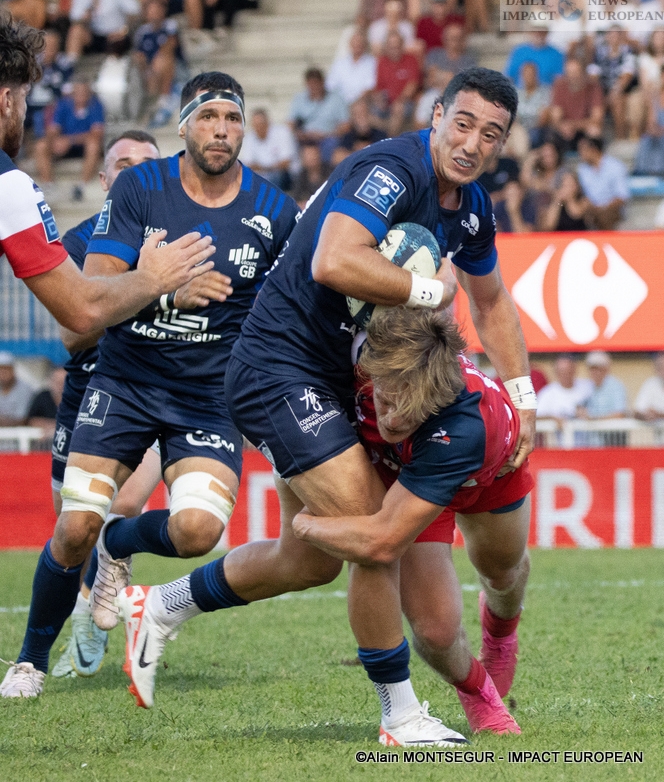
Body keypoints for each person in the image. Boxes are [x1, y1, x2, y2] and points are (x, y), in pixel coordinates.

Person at [116, 68, 537, 747]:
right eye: (462, 123)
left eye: (490, 134)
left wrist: (522, 395)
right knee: (372, 528)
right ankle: (400, 716)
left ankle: (161, 605)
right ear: (435, 116)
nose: (472, 143)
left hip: (333, 377)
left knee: (309, 560)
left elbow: (491, 301)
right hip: (278, 367)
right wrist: (431, 292)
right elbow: (333, 261)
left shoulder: (472, 207)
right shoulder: (393, 170)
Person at [0, 71, 298, 700]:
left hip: (209, 396)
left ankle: (121, 539)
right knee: (73, 528)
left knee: (198, 532)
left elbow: (286, 313)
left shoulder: (275, 210)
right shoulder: (140, 188)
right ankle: (29, 662)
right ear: (184, 126)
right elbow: (90, 302)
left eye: (233, 118)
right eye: (208, 117)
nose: (221, 130)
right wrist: (164, 289)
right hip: (127, 381)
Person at [118, 307, 530, 737]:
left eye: (408, 411)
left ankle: (501, 632)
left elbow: (383, 540)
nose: (391, 419)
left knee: (501, 572)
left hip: (481, 470)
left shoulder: (464, 426)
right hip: (403, 479)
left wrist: (309, 527)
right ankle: (475, 696)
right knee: (435, 630)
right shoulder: (361, 361)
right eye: (386, 401)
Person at [0, 13, 216, 338]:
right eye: (23, 98)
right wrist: (154, 278)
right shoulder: (8, 184)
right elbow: (81, 311)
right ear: (6, 101)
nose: (24, 111)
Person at [49, 130, 165, 680]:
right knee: (72, 528)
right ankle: (84, 612)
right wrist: (147, 284)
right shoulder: (78, 243)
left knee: (124, 504)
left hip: (155, 392)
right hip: (86, 392)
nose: (134, 171)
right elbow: (73, 335)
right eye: (123, 163)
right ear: (103, 179)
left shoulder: (189, 233)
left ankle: (108, 583)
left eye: (146, 162)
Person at [33, 78, 105, 201]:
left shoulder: (96, 105)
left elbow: (97, 133)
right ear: (73, 93)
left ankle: (81, 186)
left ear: (89, 93)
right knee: (41, 145)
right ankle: (48, 186)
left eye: (84, 92)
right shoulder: (63, 105)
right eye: (78, 91)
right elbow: (54, 129)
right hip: (64, 146)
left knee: (94, 144)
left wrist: (70, 140)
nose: (81, 95)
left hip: (83, 146)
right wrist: (54, 140)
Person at [132, 0, 182, 128]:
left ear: (163, 11)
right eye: (151, 11)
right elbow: (139, 53)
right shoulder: (142, 32)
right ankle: (151, 102)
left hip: (176, 68)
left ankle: (164, 97)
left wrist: (155, 62)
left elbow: (171, 44)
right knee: (139, 63)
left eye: (156, 10)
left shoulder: (170, 25)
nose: (154, 13)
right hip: (151, 71)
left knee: (162, 59)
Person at [65, 0, 141, 59]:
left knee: (117, 41)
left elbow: (134, 11)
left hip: (117, 34)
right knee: (76, 31)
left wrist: (124, 30)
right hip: (95, 36)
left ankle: (115, 62)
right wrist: (85, 19)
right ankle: (71, 62)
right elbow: (74, 19)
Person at [549, 58, 605, 153]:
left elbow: (597, 119)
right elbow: (555, 117)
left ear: (583, 73)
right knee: (552, 133)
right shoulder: (560, 86)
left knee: (594, 131)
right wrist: (563, 126)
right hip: (566, 131)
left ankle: (593, 160)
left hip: (583, 130)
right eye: (569, 73)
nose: (572, 76)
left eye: (575, 72)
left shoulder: (594, 88)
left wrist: (573, 125)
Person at [576, 136, 630, 231]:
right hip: (591, 209)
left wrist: (603, 208)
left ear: (593, 150)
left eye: (582, 150)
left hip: (611, 209)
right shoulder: (582, 170)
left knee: (604, 216)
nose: (580, 153)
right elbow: (582, 194)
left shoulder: (615, 166)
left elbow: (622, 197)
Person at [239, 107, 297, 190]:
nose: (258, 128)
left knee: (274, 178)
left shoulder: (282, 132)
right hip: (262, 175)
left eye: (261, 124)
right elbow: (248, 165)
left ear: (268, 122)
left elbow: (286, 163)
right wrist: (267, 168)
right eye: (256, 125)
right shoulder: (249, 137)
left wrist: (263, 168)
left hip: (286, 175)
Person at [537, 354, 593, 428]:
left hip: (587, 434)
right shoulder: (547, 393)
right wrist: (552, 418)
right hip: (559, 435)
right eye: (562, 372)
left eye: (568, 371)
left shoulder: (587, 387)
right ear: (556, 372)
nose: (566, 375)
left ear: (575, 370)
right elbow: (536, 416)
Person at [325, 29, 377, 107]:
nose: (357, 45)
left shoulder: (372, 63)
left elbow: (370, 87)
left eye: (360, 43)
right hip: (340, 103)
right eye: (355, 42)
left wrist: (355, 104)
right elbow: (330, 85)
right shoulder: (339, 63)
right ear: (350, 44)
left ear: (365, 45)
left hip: (362, 104)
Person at [577, 351, 628, 421]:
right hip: (592, 427)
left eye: (598, 369)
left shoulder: (616, 386)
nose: (594, 372)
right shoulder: (587, 385)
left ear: (606, 369)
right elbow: (579, 407)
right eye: (592, 369)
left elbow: (620, 414)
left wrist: (595, 419)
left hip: (613, 427)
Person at [27, 366, 67, 438]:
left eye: (63, 382)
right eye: (57, 382)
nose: (60, 386)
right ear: (51, 381)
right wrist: (53, 425)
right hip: (43, 440)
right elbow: (31, 420)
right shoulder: (42, 397)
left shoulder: (77, 399)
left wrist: (55, 426)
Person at [0, 351, 34, 426]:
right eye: (0, 369)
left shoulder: (25, 389)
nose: (3, 373)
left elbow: (22, 420)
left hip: (18, 431)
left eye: (6, 369)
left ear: (13, 370)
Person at [634, 352, 664, 421]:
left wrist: (659, 415)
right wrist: (646, 415)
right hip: (656, 428)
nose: (663, 371)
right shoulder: (651, 383)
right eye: (660, 368)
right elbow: (637, 411)